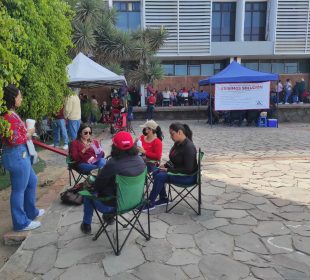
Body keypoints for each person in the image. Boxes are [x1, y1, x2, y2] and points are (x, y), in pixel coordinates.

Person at [80, 131, 146, 234]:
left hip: (114, 206)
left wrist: (93, 187)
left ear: (114, 146)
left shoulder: (113, 163)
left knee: (88, 194)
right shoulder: (141, 161)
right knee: (111, 189)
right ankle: (108, 217)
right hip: (136, 201)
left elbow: (98, 185)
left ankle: (86, 224)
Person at [0, 85, 44, 231]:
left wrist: (26, 131)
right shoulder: (7, 116)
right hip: (17, 155)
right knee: (18, 189)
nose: (21, 98)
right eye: (19, 96)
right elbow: (13, 139)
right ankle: (20, 223)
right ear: (13, 98)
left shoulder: (10, 114)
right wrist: (29, 132)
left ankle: (31, 212)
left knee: (32, 180)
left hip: (19, 153)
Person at [146, 123, 197, 210]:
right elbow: (174, 159)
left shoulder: (189, 147)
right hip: (179, 172)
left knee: (160, 176)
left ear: (180, 132)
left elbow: (189, 170)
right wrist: (165, 165)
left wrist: (168, 170)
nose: (170, 136)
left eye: (172, 134)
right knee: (156, 172)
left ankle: (150, 203)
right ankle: (163, 198)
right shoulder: (178, 143)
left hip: (188, 177)